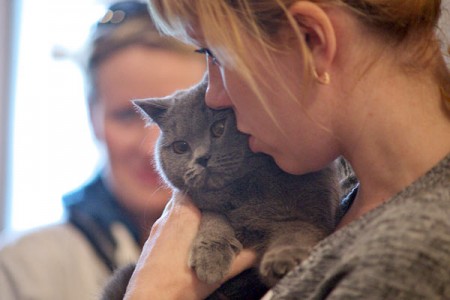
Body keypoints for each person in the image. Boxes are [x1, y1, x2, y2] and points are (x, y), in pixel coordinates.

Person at [120, 0, 450, 299]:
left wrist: (152, 292)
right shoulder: (355, 194)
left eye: (216, 57)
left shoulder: (407, 260)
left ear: (311, 39)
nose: (213, 97)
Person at [0, 1, 205, 299]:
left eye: (182, 120)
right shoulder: (21, 270)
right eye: (125, 116)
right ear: (91, 114)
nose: (151, 148)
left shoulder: (270, 256)